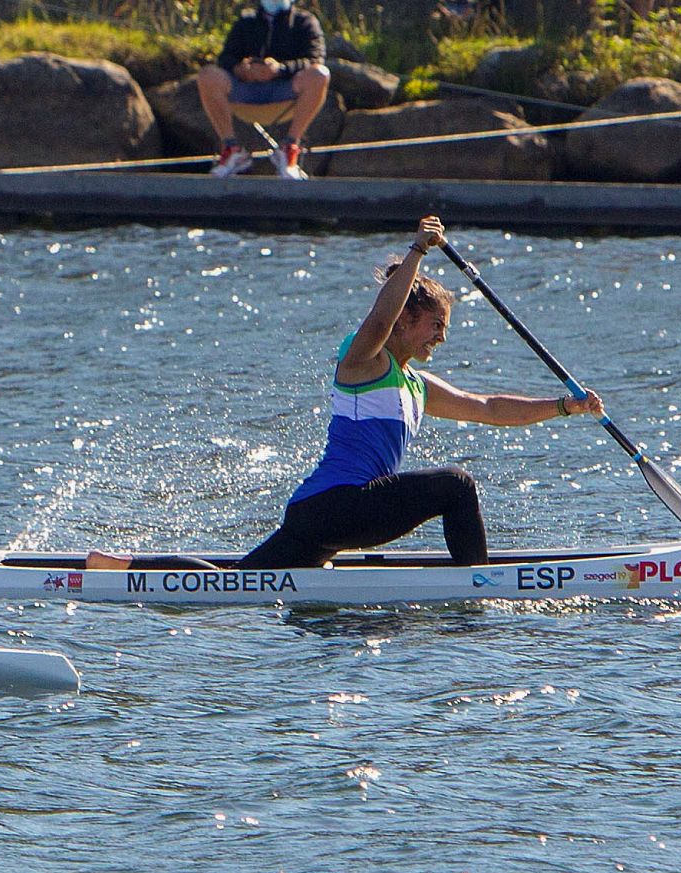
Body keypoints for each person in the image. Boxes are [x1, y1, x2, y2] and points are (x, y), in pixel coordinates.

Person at [238, 216, 605, 570]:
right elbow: (380, 319)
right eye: (436, 325)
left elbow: (490, 408)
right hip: (333, 506)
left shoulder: (418, 385)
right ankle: (478, 582)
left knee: (233, 583)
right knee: (456, 486)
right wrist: (417, 249)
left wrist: (565, 406)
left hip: (328, 519)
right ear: (404, 320)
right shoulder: (362, 361)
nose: (442, 337)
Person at [196, 0, 330, 181]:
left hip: (285, 94)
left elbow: (314, 58)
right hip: (244, 93)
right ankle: (232, 149)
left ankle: (289, 148)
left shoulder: (305, 22)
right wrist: (241, 70)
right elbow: (226, 59)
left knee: (319, 74)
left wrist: (280, 70)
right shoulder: (245, 21)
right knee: (208, 75)